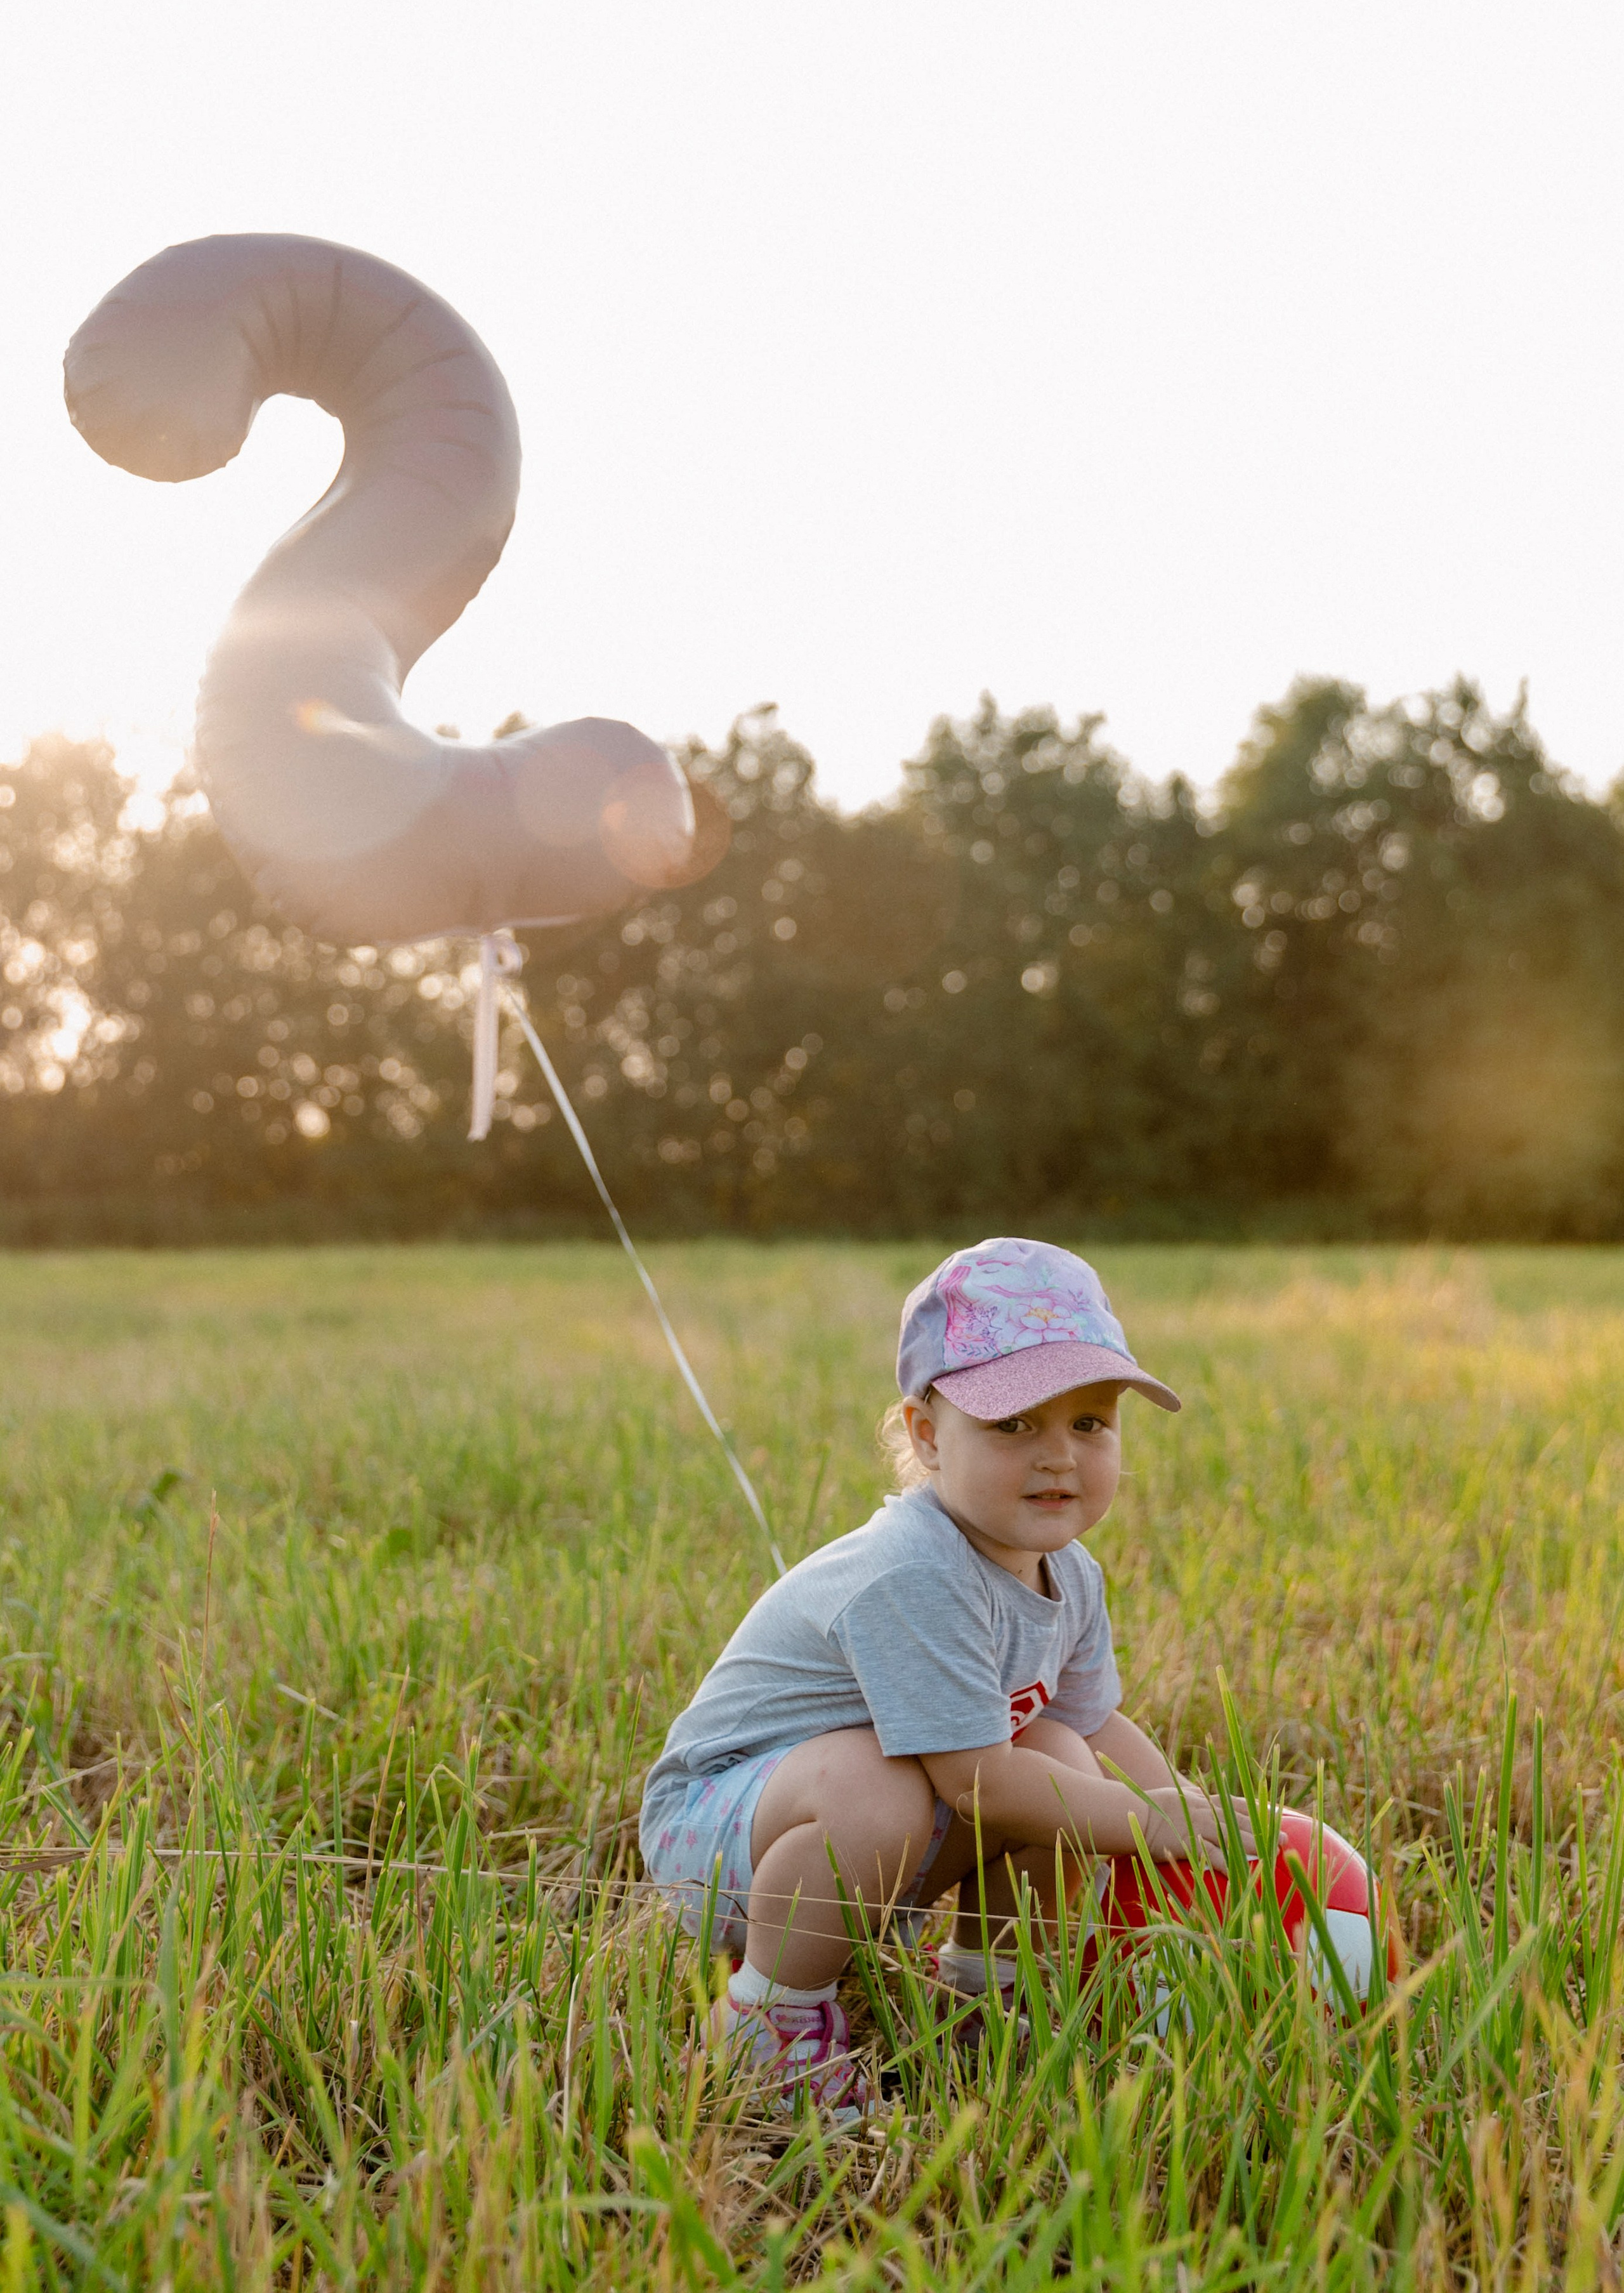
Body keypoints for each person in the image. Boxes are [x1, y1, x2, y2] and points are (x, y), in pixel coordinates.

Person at [639, 1237, 1255, 2117]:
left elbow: (1095, 1734)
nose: (1059, 1456)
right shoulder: (911, 1572)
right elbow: (975, 1781)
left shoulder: (1069, 1571)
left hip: (870, 1834)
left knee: (1058, 1751)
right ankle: (766, 2023)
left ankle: (990, 1996)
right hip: (723, 1835)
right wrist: (1156, 1821)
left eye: (1090, 1423)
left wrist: (1189, 1823)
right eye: (1014, 1424)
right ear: (928, 1436)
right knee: (886, 1783)